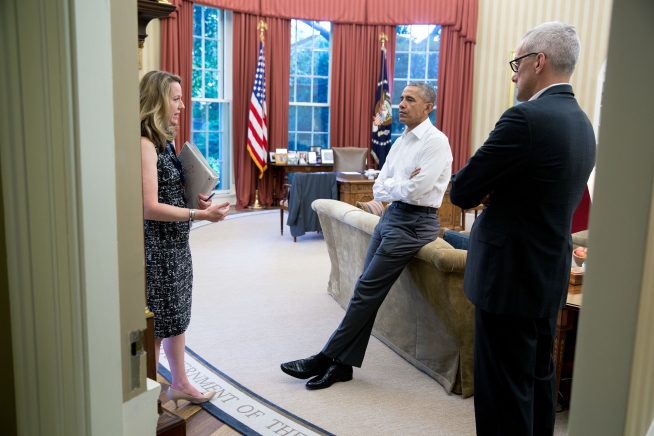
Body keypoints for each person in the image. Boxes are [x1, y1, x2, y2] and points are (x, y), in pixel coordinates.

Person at [449, 22, 596, 435]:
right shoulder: (583, 125)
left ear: (539, 61)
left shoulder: (525, 119)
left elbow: (462, 189)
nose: (514, 74)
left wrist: (491, 188)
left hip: (507, 279)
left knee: (502, 394)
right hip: (548, 276)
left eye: (518, 63)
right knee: (538, 379)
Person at [281, 82, 453, 390]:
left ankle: (325, 357)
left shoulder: (436, 142)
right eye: (401, 98)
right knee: (363, 289)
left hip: (416, 223)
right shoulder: (401, 142)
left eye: (409, 100)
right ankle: (343, 366)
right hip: (392, 216)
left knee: (365, 292)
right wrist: (401, 182)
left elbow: (417, 191)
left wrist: (398, 184)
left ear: (429, 108)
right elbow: (379, 186)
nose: (400, 104)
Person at [140, 70, 230, 406]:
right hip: (157, 249)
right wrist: (201, 215)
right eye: (176, 98)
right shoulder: (144, 144)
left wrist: (196, 199)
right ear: (158, 99)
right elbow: (149, 207)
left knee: (176, 315)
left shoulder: (165, 142)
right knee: (157, 324)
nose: (181, 106)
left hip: (177, 245)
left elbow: (171, 193)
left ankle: (179, 382)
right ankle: (145, 393)